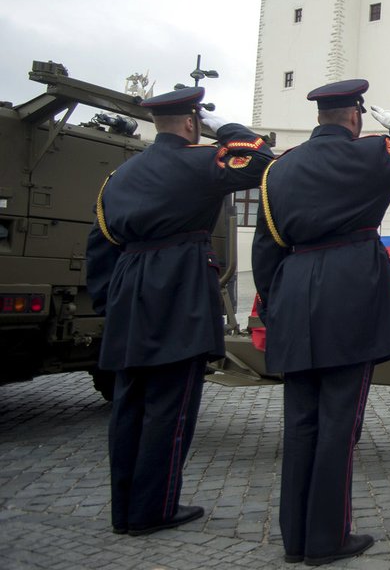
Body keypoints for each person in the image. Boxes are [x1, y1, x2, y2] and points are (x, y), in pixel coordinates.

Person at [252, 80, 390, 565]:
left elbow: (266, 248)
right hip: (350, 286)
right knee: (339, 421)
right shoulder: (372, 155)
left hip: (294, 287)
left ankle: (295, 538)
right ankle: (327, 539)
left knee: (300, 421)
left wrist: (277, 302)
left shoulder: (279, 169)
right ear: (355, 116)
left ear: (319, 116)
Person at [86, 86, 273, 537]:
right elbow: (262, 163)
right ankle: (155, 508)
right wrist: (223, 128)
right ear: (191, 123)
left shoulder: (120, 176)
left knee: (129, 405)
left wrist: (112, 303)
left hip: (128, 292)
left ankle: (124, 508)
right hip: (180, 289)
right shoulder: (201, 163)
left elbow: (100, 245)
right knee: (171, 406)